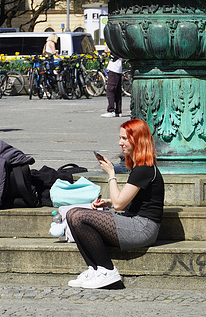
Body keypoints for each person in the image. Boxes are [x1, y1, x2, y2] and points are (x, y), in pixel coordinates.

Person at [66, 119, 164, 289]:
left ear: (138, 139)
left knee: (78, 216)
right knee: (71, 214)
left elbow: (119, 205)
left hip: (143, 228)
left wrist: (111, 173)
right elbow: (125, 201)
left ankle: (108, 270)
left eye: (125, 139)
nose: (120, 143)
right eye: (120, 138)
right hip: (134, 222)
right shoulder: (140, 166)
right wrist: (108, 202)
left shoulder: (144, 169)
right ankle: (95, 269)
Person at [101, 51, 123, 118]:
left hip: (114, 67)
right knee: (117, 91)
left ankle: (111, 110)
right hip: (118, 67)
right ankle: (118, 111)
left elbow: (106, 50)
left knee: (110, 90)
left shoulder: (115, 42)